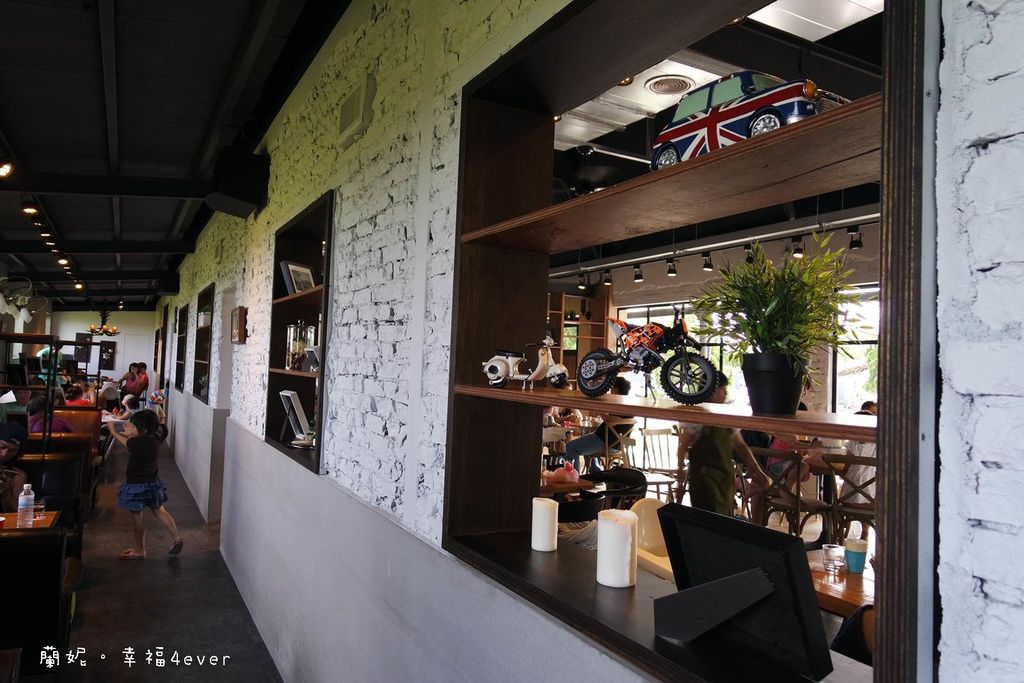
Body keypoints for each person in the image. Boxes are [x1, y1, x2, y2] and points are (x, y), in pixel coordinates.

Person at [676, 374, 771, 516]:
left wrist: (757, 470)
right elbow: (683, 445)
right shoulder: (696, 414)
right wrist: (680, 471)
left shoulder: (725, 415)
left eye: (725, 389)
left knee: (723, 516)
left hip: (724, 477)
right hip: (704, 478)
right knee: (707, 516)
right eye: (721, 389)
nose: (725, 393)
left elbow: (741, 446)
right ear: (709, 390)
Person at [109, 409, 182, 559]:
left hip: (136, 486)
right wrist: (131, 430)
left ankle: (139, 550)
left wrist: (112, 430)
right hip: (153, 483)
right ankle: (176, 537)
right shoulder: (156, 437)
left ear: (143, 430)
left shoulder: (136, 443)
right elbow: (159, 427)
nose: (129, 427)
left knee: (137, 515)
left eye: (133, 426)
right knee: (160, 510)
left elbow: (127, 442)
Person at [564, 377, 633, 472]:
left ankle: (573, 478)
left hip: (605, 441)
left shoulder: (620, 405)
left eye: (611, 387)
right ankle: (595, 472)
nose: (610, 390)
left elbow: (612, 421)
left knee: (571, 447)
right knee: (586, 436)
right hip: (617, 445)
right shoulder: (629, 405)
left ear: (616, 389)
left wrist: (600, 412)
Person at [0, 423, 28, 512]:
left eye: (12, 451)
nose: (4, 454)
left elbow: (16, 513)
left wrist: (5, 495)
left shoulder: (16, 475)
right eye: (2, 447)